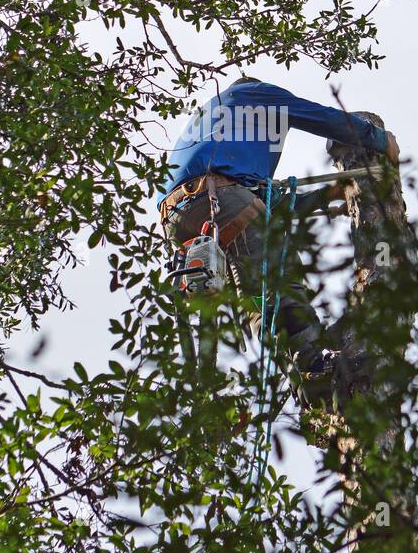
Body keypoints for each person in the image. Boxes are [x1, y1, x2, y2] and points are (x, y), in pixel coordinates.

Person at [158, 76, 399, 402]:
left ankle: (305, 383)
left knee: (256, 296)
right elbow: (319, 116)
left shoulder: (213, 125)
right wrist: (378, 139)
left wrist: (327, 195)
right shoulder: (254, 95)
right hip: (218, 198)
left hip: (177, 217)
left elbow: (259, 202)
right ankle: (315, 365)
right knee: (278, 273)